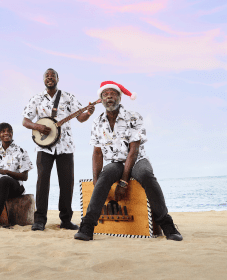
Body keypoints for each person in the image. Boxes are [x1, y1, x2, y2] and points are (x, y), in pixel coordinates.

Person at [74, 81, 183, 241]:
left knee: (146, 174)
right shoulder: (97, 122)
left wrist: (123, 183)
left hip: (137, 159)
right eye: (105, 94)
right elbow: (97, 153)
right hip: (115, 161)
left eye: (113, 93)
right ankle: (87, 227)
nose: (109, 96)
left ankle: (167, 226)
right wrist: (97, 181)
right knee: (104, 177)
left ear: (120, 97)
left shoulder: (133, 117)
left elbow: (134, 150)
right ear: (101, 100)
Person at [22, 68, 96, 231]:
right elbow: (25, 121)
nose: (50, 78)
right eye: (47, 76)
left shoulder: (68, 97)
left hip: (66, 146)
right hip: (44, 147)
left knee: (66, 183)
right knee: (42, 182)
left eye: (52, 76)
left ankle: (66, 220)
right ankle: (39, 220)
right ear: (44, 80)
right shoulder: (36, 98)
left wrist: (89, 113)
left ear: (57, 78)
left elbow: (81, 118)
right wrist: (38, 126)